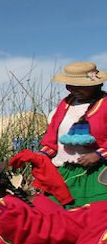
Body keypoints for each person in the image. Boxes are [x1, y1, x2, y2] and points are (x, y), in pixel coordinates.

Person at [39, 61, 107, 206]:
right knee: (56, 212)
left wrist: (99, 154)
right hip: (64, 170)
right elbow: (52, 135)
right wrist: (42, 155)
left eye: (79, 86)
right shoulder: (66, 103)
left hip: (96, 173)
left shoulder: (105, 104)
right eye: (70, 85)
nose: (72, 89)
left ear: (95, 85)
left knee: (95, 215)